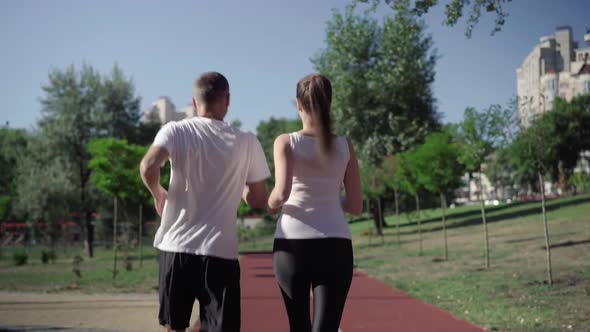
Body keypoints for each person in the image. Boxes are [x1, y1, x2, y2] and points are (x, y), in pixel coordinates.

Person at [139, 72, 270, 332]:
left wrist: (158, 193)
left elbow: (148, 166)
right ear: (228, 100)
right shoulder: (247, 141)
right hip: (220, 253)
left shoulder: (176, 129)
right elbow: (258, 200)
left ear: (195, 101)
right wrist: (242, 189)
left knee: (174, 328)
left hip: (177, 249)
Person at [268, 73, 363, 332]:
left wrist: (270, 202)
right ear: (329, 103)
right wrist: (330, 198)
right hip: (336, 245)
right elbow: (356, 205)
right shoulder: (345, 145)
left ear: (298, 103)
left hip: (292, 245)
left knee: (298, 325)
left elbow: (281, 194)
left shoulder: (286, 142)